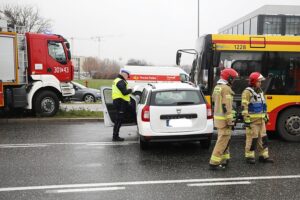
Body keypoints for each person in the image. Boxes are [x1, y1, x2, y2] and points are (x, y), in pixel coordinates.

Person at [209, 68, 239, 170]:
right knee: (222, 141)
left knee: (225, 140)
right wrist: (230, 121)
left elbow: (214, 101)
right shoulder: (226, 88)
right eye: (233, 78)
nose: (234, 80)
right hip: (225, 120)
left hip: (219, 119)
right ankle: (214, 162)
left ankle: (225, 159)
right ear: (228, 78)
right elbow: (227, 106)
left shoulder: (217, 87)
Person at [241, 72, 274, 164]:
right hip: (252, 121)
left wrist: (266, 115)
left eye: (260, 81)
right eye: (259, 81)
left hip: (261, 120)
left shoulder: (260, 91)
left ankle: (263, 156)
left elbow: (264, 105)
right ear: (253, 81)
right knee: (252, 139)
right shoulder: (247, 92)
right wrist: (246, 119)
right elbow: (244, 107)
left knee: (263, 138)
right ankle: (249, 156)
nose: (260, 83)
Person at [111, 68, 133, 142]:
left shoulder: (117, 80)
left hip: (119, 102)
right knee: (119, 120)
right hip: (120, 103)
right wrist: (131, 90)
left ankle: (115, 135)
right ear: (124, 74)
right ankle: (115, 136)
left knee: (118, 120)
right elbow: (124, 92)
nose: (128, 77)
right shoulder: (120, 81)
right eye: (127, 76)